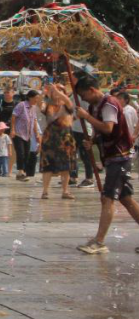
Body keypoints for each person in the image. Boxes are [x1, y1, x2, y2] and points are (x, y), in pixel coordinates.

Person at [72, 74, 139, 255]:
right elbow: (101, 131)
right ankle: (99, 240)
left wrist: (86, 116)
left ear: (93, 90)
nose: (84, 100)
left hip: (120, 156)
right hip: (111, 156)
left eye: (84, 95)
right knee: (126, 199)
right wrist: (92, 141)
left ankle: (99, 241)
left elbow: (108, 127)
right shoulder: (95, 106)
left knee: (107, 197)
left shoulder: (109, 103)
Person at [39, 84, 76, 200]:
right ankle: (45, 191)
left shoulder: (67, 104)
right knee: (47, 166)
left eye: (60, 91)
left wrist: (58, 91)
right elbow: (40, 103)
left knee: (66, 166)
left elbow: (67, 100)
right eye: (55, 91)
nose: (56, 93)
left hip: (66, 138)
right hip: (49, 139)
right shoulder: (48, 104)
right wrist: (44, 93)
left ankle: (65, 191)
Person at [11, 90, 42, 181]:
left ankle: (23, 172)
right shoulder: (21, 105)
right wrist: (12, 129)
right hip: (18, 133)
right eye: (36, 98)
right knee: (20, 153)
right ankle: (20, 172)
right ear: (30, 97)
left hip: (28, 134)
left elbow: (35, 121)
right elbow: (13, 116)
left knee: (27, 154)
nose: (37, 100)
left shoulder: (33, 107)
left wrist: (36, 134)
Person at [0, 88, 18, 173]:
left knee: (13, 151)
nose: (6, 94)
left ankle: (9, 171)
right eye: (5, 92)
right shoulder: (0, 103)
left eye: (8, 92)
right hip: (1, 129)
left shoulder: (16, 104)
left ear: (13, 93)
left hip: (13, 129)